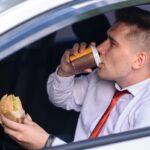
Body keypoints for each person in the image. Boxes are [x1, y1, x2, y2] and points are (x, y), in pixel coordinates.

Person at [1, 6, 150, 150]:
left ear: (139, 60)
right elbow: (61, 98)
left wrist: (47, 144)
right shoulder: (101, 78)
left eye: (112, 43)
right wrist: (66, 72)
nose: (99, 48)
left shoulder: (146, 108)